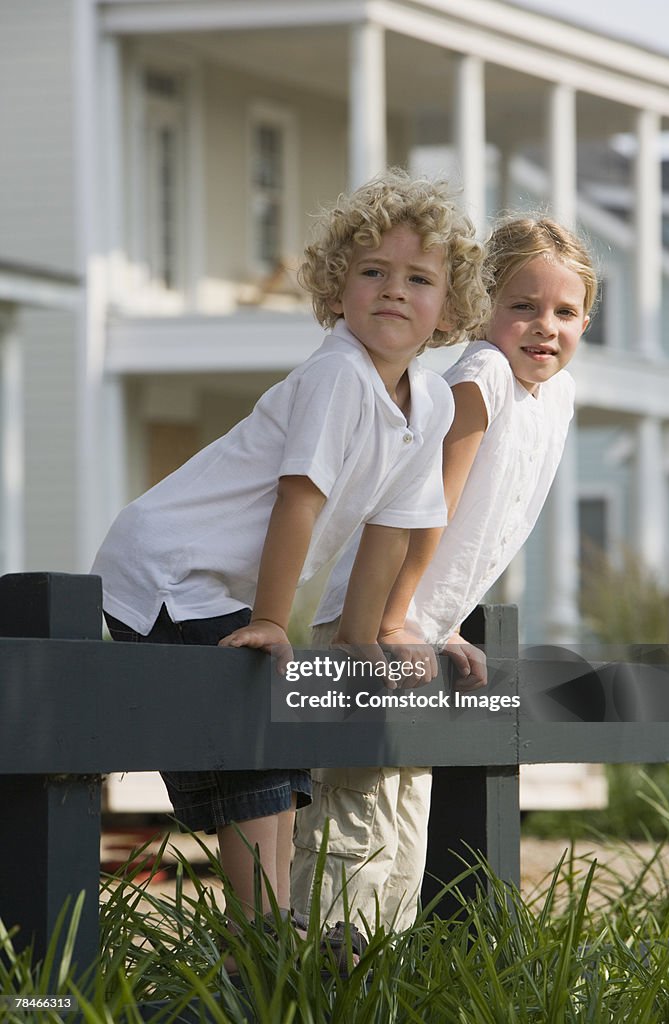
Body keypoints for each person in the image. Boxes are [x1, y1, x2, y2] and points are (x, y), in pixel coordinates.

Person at [91, 169, 490, 942]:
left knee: (274, 760)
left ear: (450, 306)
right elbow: (298, 501)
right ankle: (260, 940)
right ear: (336, 290)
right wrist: (275, 619)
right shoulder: (337, 374)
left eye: (418, 278)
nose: (393, 291)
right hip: (166, 569)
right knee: (248, 751)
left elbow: (390, 527)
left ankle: (273, 932)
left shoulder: (429, 400)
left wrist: (363, 637)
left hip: (215, 585)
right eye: (371, 273)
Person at [291, 215, 598, 933]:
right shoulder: (481, 375)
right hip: (368, 626)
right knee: (353, 822)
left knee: (404, 837)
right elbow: (427, 505)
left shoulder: (556, 396)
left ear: (587, 319)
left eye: (564, 311)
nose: (543, 326)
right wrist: (394, 622)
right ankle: (311, 984)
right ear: (481, 306)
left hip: (418, 630)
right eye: (521, 306)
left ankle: (378, 986)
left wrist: (446, 622)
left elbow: (486, 532)